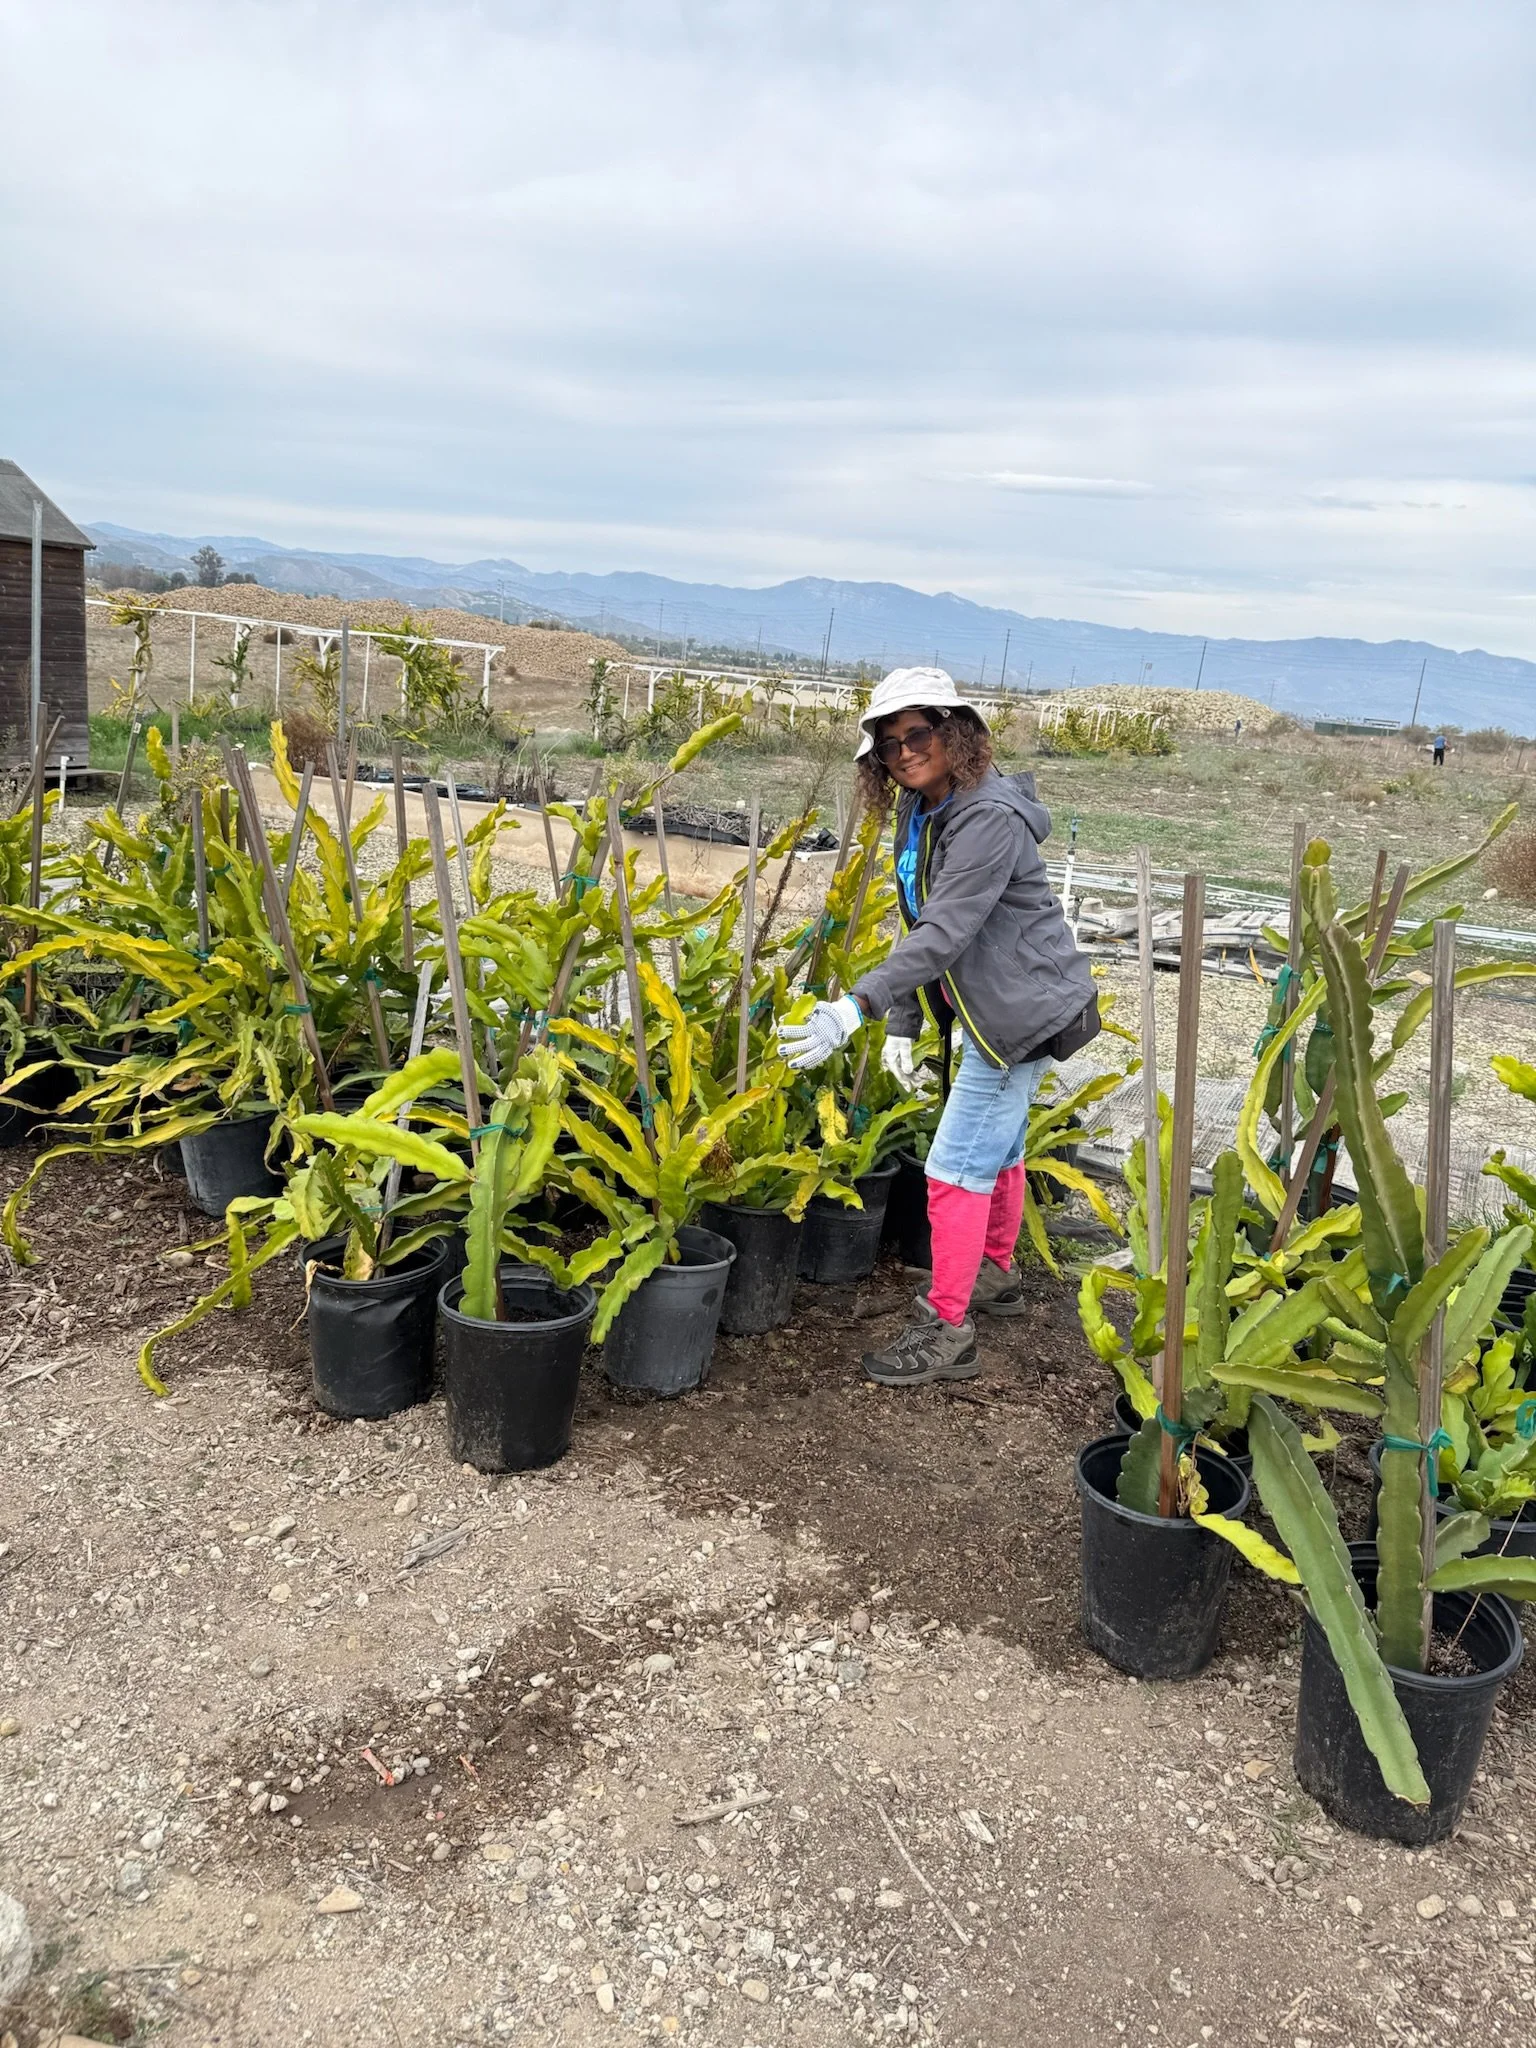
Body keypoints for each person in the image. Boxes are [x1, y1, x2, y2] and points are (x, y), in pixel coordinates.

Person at [778, 667, 1099, 1386]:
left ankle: (948, 1327)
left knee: (955, 1167)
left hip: (1017, 1016)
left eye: (917, 733)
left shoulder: (986, 817)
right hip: (1002, 1008)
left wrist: (852, 1007)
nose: (904, 752)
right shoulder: (923, 809)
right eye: (889, 744)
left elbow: (947, 928)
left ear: (955, 733)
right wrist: (898, 1018)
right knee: (1003, 1144)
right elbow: (916, 917)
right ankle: (991, 1274)